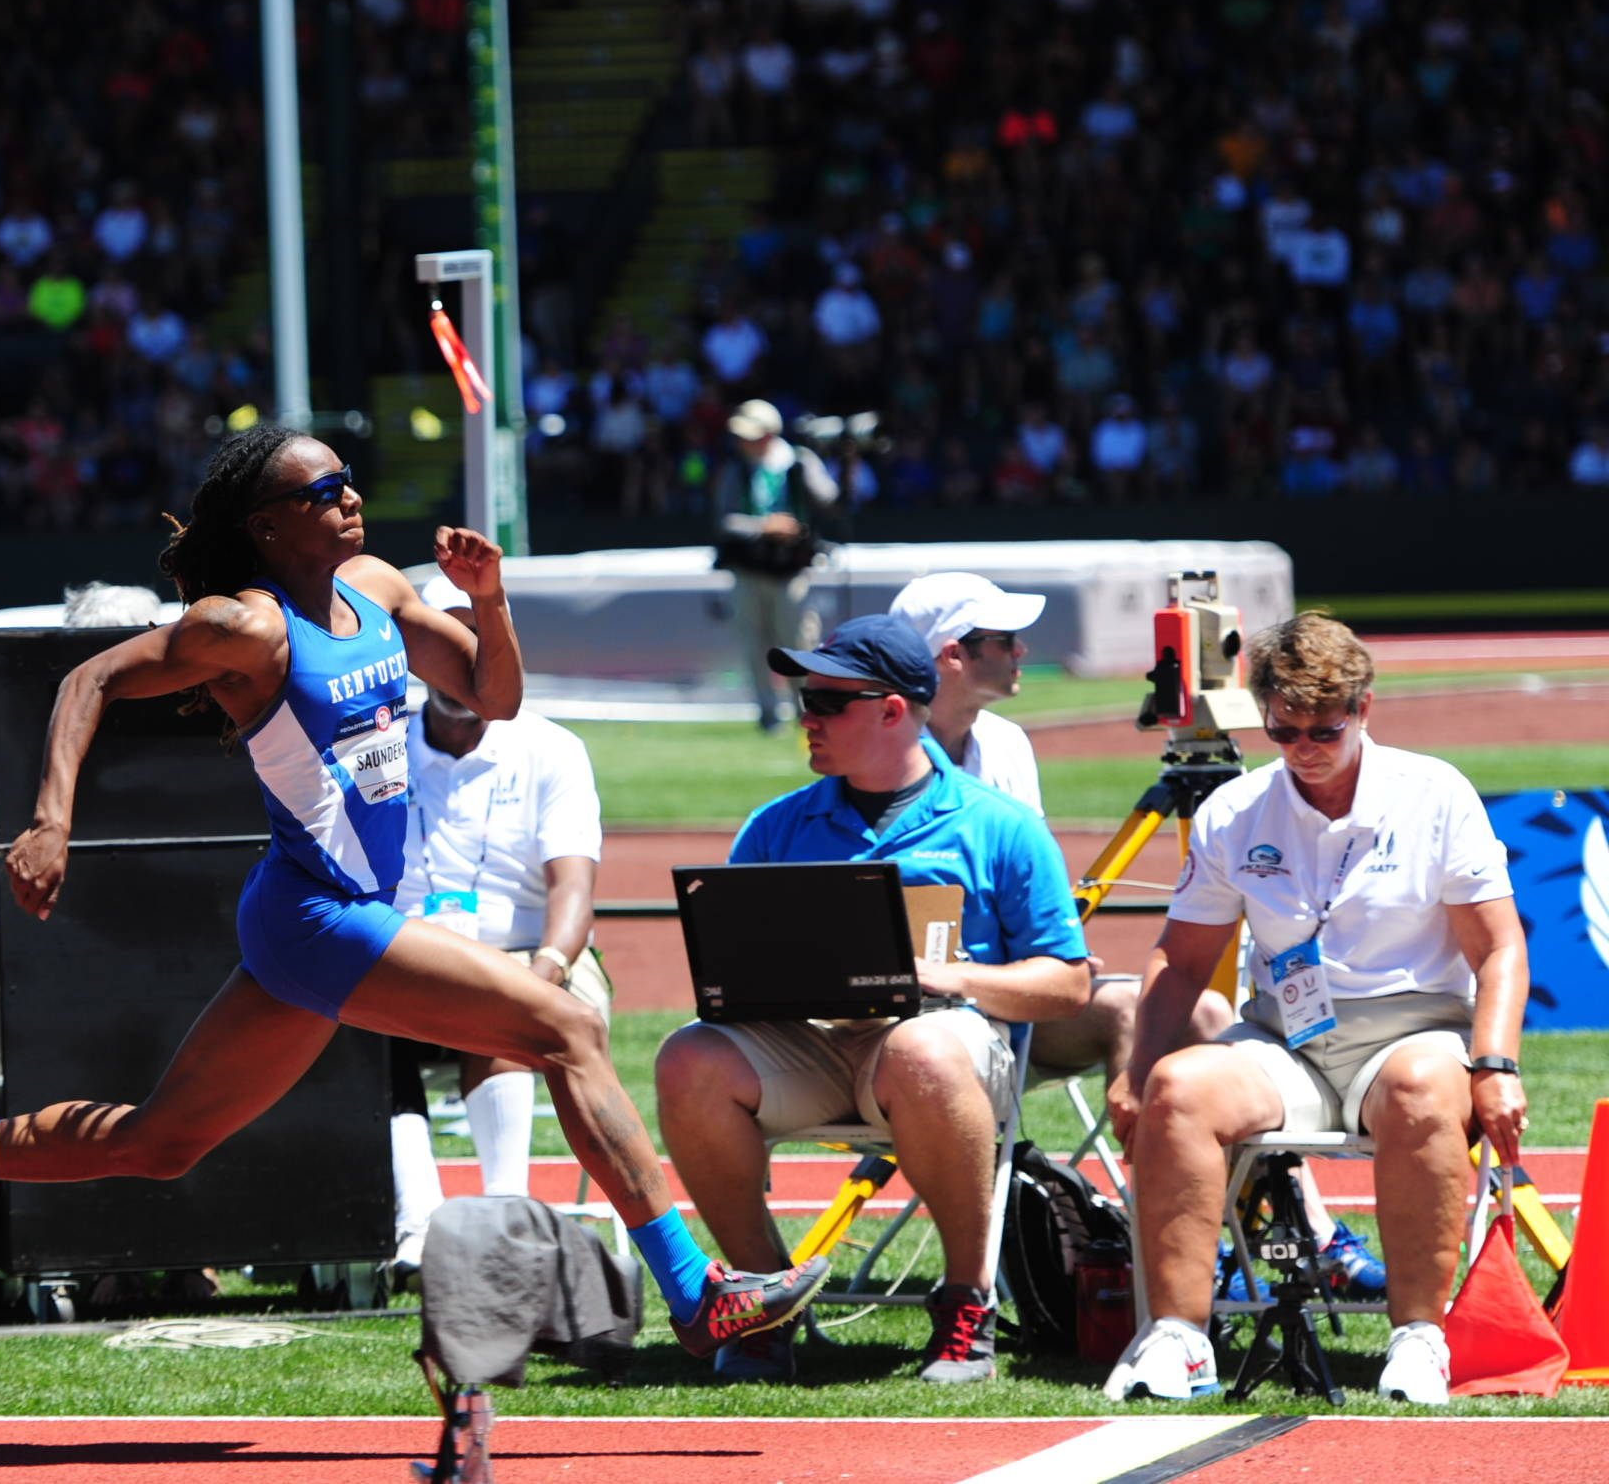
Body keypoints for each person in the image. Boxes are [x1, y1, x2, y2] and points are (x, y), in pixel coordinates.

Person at [0, 427, 830, 1357]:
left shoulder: (376, 587)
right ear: (269, 524)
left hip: (323, 918)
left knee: (160, 1140)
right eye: (321, 488)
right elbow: (86, 678)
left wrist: (490, 602)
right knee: (562, 1024)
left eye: (346, 479)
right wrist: (52, 817)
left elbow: (494, 695)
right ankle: (697, 1295)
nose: (347, 496)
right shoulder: (246, 628)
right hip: (315, 912)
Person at [890, 572, 1386, 1298]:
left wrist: (1045, 953)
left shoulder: (1006, 745)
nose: (1022, 649)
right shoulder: (882, 748)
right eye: (1002, 639)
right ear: (949, 655)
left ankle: (1287, 1234)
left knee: (1190, 1011)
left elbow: (1033, 894)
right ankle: (1188, 1249)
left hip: (1014, 1002)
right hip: (928, 1020)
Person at [653, 614, 1090, 1384]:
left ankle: (967, 1298)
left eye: (825, 700)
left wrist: (951, 980)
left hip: (939, 1044)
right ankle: (766, 1302)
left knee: (921, 1045)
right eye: (802, 698)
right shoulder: (776, 826)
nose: (806, 716)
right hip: (811, 1040)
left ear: (893, 710)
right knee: (688, 1054)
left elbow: (1068, 981)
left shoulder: (1003, 826)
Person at [1102, 614, 1527, 1406]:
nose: (1303, 746)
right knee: (1178, 1088)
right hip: (1286, 1035)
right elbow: (1184, 956)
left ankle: (1416, 1338)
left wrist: (1496, 1064)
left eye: (1324, 729)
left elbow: (1499, 947)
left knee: (1422, 1089)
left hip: (1415, 1027)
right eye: (1284, 729)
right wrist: (1137, 1070)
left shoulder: (1434, 791)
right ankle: (1180, 1339)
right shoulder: (1235, 809)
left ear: (1366, 707)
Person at [386, 674, 610, 1268]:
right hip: (404, 958)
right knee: (345, 1006)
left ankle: (504, 1220)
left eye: (479, 653)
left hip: (534, 955)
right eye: (447, 649)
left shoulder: (552, 747)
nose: (463, 671)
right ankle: (417, 1226)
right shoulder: (377, 747)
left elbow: (573, 892)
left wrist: (542, 974)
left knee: (501, 999)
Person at [713, 400, 836, 732]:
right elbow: (725, 522)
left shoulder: (798, 462)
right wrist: (764, 526)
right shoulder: (735, 469)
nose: (744, 442)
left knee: (797, 641)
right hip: (748, 569)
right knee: (754, 643)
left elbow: (828, 500)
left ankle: (804, 709)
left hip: (789, 570)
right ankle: (767, 713)